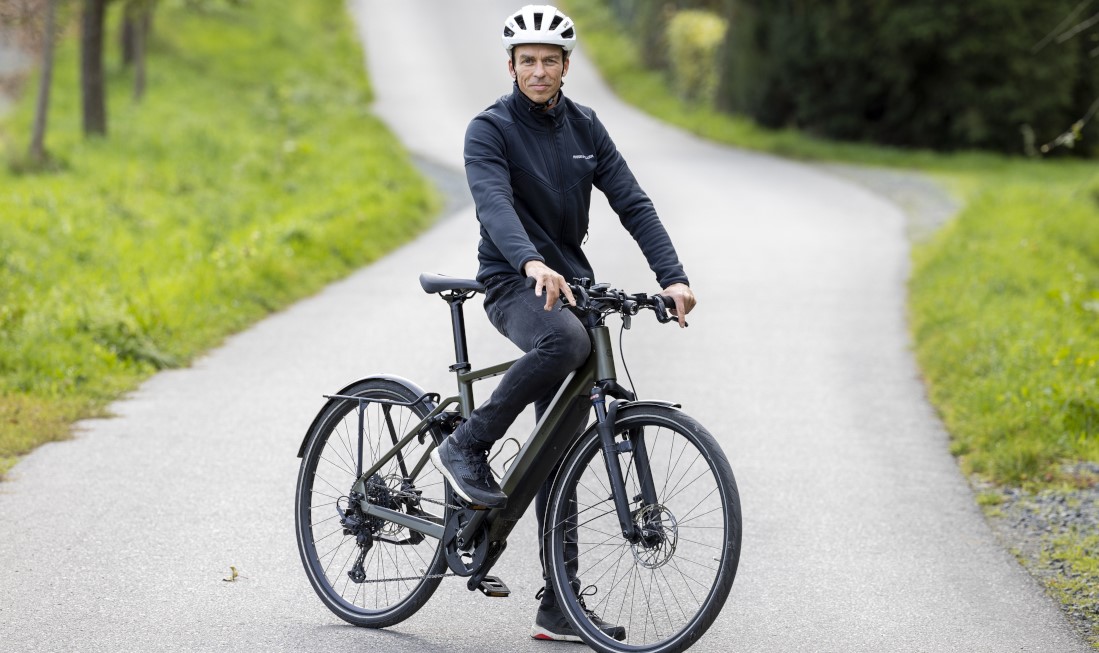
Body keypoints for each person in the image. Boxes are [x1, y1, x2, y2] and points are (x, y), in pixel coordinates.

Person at [430, 4, 695, 643]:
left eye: (550, 61)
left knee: (561, 444)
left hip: (568, 281)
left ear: (566, 66)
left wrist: (673, 276)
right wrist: (529, 262)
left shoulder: (586, 126)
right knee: (566, 340)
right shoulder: (489, 129)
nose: (539, 71)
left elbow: (633, 201)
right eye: (528, 61)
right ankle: (467, 443)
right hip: (511, 280)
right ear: (511, 66)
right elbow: (493, 204)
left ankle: (559, 603)